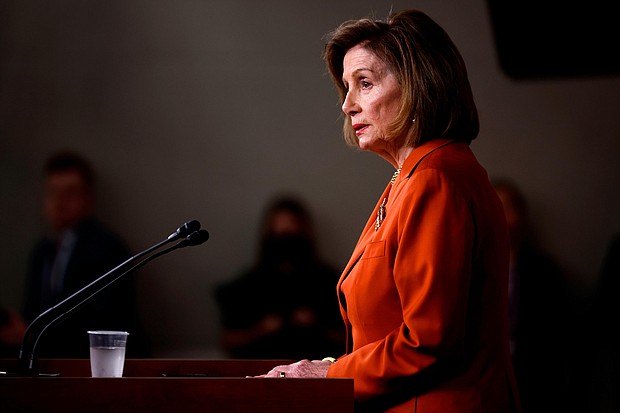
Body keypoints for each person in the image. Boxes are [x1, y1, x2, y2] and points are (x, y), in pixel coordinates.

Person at [256, 9, 521, 413]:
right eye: (346, 88)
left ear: (419, 86)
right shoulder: (410, 178)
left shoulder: (436, 178)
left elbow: (428, 341)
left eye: (364, 83)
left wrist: (328, 376)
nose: (347, 105)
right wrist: (330, 367)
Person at [21, 151, 149, 358]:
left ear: (88, 198)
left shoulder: (107, 247)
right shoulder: (42, 250)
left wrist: (37, 335)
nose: (60, 202)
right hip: (47, 360)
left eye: (70, 193)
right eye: (53, 192)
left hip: (96, 361)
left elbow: (106, 319)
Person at [214, 194, 345, 360]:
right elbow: (228, 341)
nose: (286, 234)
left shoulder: (329, 281)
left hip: (316, 374)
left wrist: (316, 325)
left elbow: (351, 339)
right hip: (262, 375)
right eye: (279, 229)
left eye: (292, 227)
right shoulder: (247, 285)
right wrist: (262, 329)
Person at [493, 179, 572, 413]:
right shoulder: (469, 266)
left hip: (535, 384)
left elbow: (560, 336)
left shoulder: (545, 271)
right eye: (496, 206)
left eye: (508, 207)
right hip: (485, 383)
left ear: (522, 214)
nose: (502, 216)